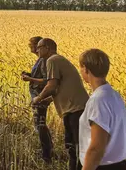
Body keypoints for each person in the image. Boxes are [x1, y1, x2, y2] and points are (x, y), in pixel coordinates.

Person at [32, 38, 89, 170]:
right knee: (74, 147)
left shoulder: (52, 60)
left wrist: (38, 98)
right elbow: (60, 88)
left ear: (47, 48)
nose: (36, 50)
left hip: (75, 110)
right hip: (75, 108)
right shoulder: (59, 60)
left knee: (76, 147)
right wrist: (47, 100)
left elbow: (51, 86)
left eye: (39, 47)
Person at [78, 49, 126, 170]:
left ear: (85, 69)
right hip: (120, 165)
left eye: (80, 67)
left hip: (101, 166)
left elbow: (97, 147)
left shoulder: (98, 100)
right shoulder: (115, 95)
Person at [21, 36, 53, 163]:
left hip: (40, 97)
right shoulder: (40, 60)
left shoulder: (44, 61)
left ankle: (46, 156)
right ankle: (49, 148)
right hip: (37, 96)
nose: (30, 50)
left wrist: (30, 79)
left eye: (31, 47)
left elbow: (47, 80)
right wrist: (30, 75)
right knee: (40, 124)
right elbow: (40, 76)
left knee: (40, 125)